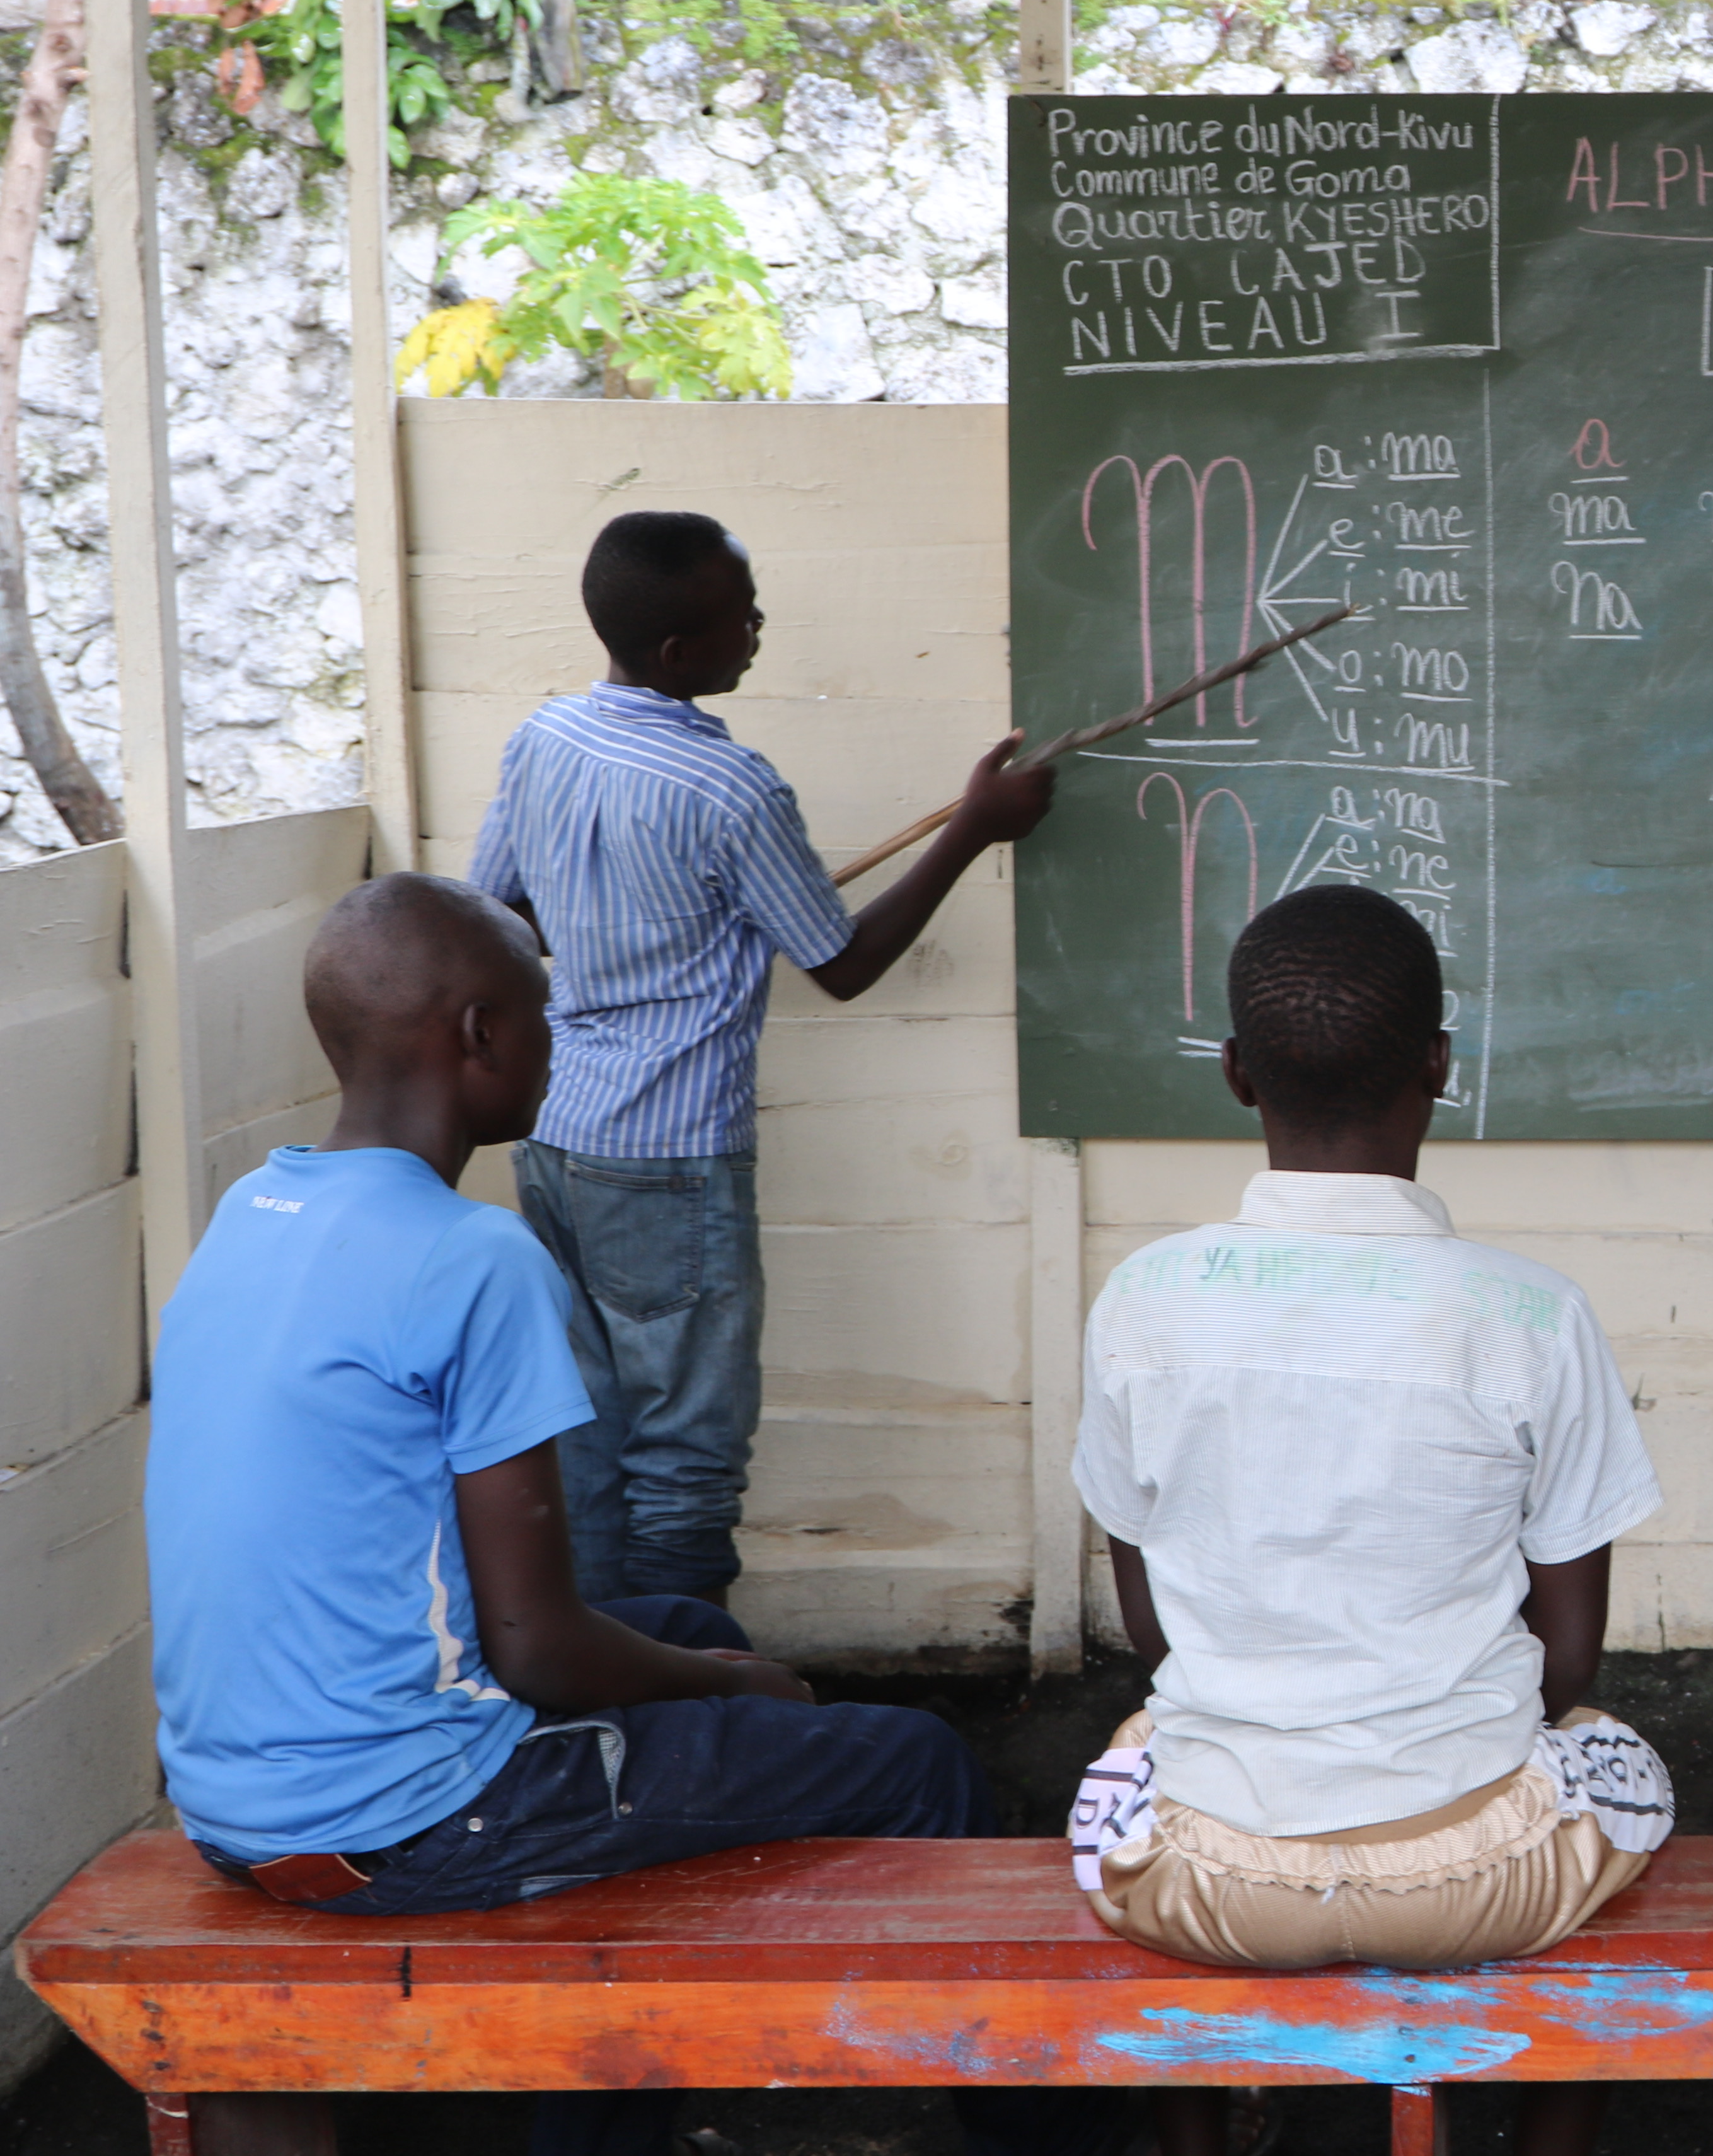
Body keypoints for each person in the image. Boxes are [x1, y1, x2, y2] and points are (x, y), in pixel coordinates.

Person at [144, 875, 1117, 2156]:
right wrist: (757, 1689)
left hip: (232, 1793)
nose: (564, 1045)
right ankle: (1053, 2138)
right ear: (483, 1033)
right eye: (549, 1015)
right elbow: (536, 1647)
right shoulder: (472, 1258)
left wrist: (698, 1666)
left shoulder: (253, 1211)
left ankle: (608, 2112)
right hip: (407, 1814)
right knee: (914, 1757)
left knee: (670, 1626)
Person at [1071, 886, 1671, 2156]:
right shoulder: (1532, 1314)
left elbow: (1149, 1623)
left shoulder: (1144, 1300)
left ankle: (1199, 2138)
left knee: (1139, 1742)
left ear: (1237, 1073)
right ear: (1440, 1067)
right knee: (1622, 1759)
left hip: (1209, 1878)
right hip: (1474, 1876)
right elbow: (1567, 1665)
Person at [466, 509, 1055, 1604]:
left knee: (588, 1428)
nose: (760, 630)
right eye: (745, 617)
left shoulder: (543, 737)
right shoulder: (733, 793)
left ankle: (602, 1679)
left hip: (555, 1135)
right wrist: (975, 827)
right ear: (682, 653)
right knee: (686, 1455)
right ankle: (687, 1695)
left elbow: (503, 912)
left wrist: (626, 923)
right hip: (670, 1161)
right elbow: (843, 963)